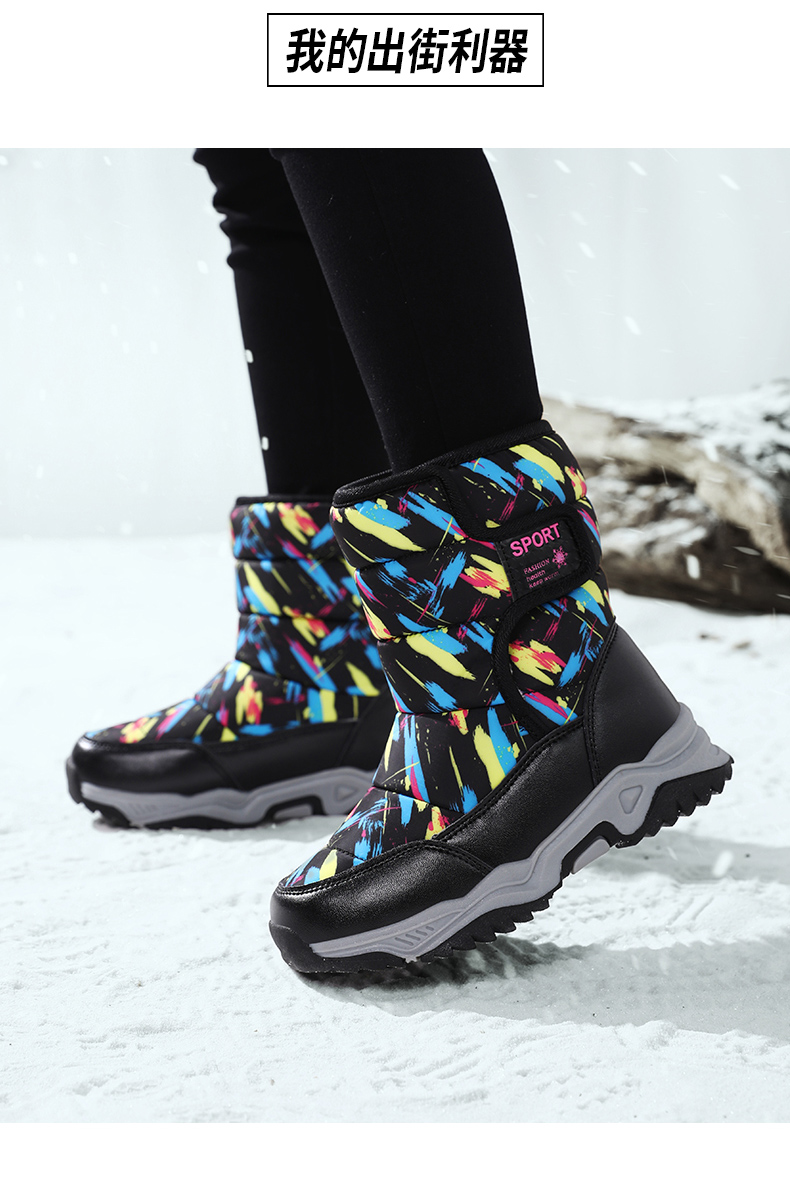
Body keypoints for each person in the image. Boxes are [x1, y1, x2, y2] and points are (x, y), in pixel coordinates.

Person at [66, 149, 733, 974]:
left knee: (355, 114)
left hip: (528, 668)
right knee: (260, 163)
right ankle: (325, 664)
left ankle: (537, 685)